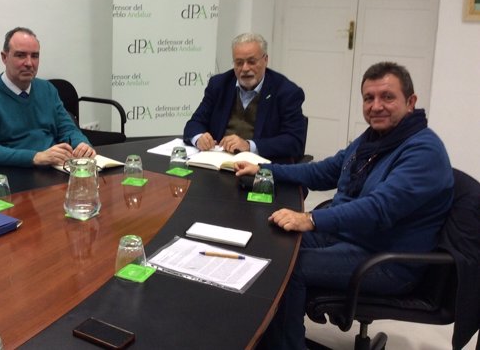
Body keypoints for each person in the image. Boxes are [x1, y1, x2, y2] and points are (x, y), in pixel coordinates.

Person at [234, 61, 454, 349]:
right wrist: (266, 170)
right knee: (272, 244)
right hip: (349, 237)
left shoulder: (423, 151)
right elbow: (324, 171)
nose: (376, 106)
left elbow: (378, 209)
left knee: (289, 268)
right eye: (369, 98)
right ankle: (270, 336)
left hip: (387, 259)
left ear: (410, 102)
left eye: (387, 97)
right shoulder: (374, 139)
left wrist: (310, 219)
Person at [0, 27, 96, 167]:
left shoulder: (47, 90)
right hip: (13, 175)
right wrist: (35, 157)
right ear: (4, 57)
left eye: (34, 56)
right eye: (21, 55)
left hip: (54, 170)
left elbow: (68, 130)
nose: (29, 63)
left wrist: (82, 145)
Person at [183, 32, 306, 162]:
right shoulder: (219, 85)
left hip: (260, 168)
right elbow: (194, 123)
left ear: (265, 60)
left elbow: (294, 141)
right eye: (239, 62)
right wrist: (199, 138)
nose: (245, 68)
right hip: (219, 162)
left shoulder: (286, 92)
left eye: (251, 62)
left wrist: (249, 146)